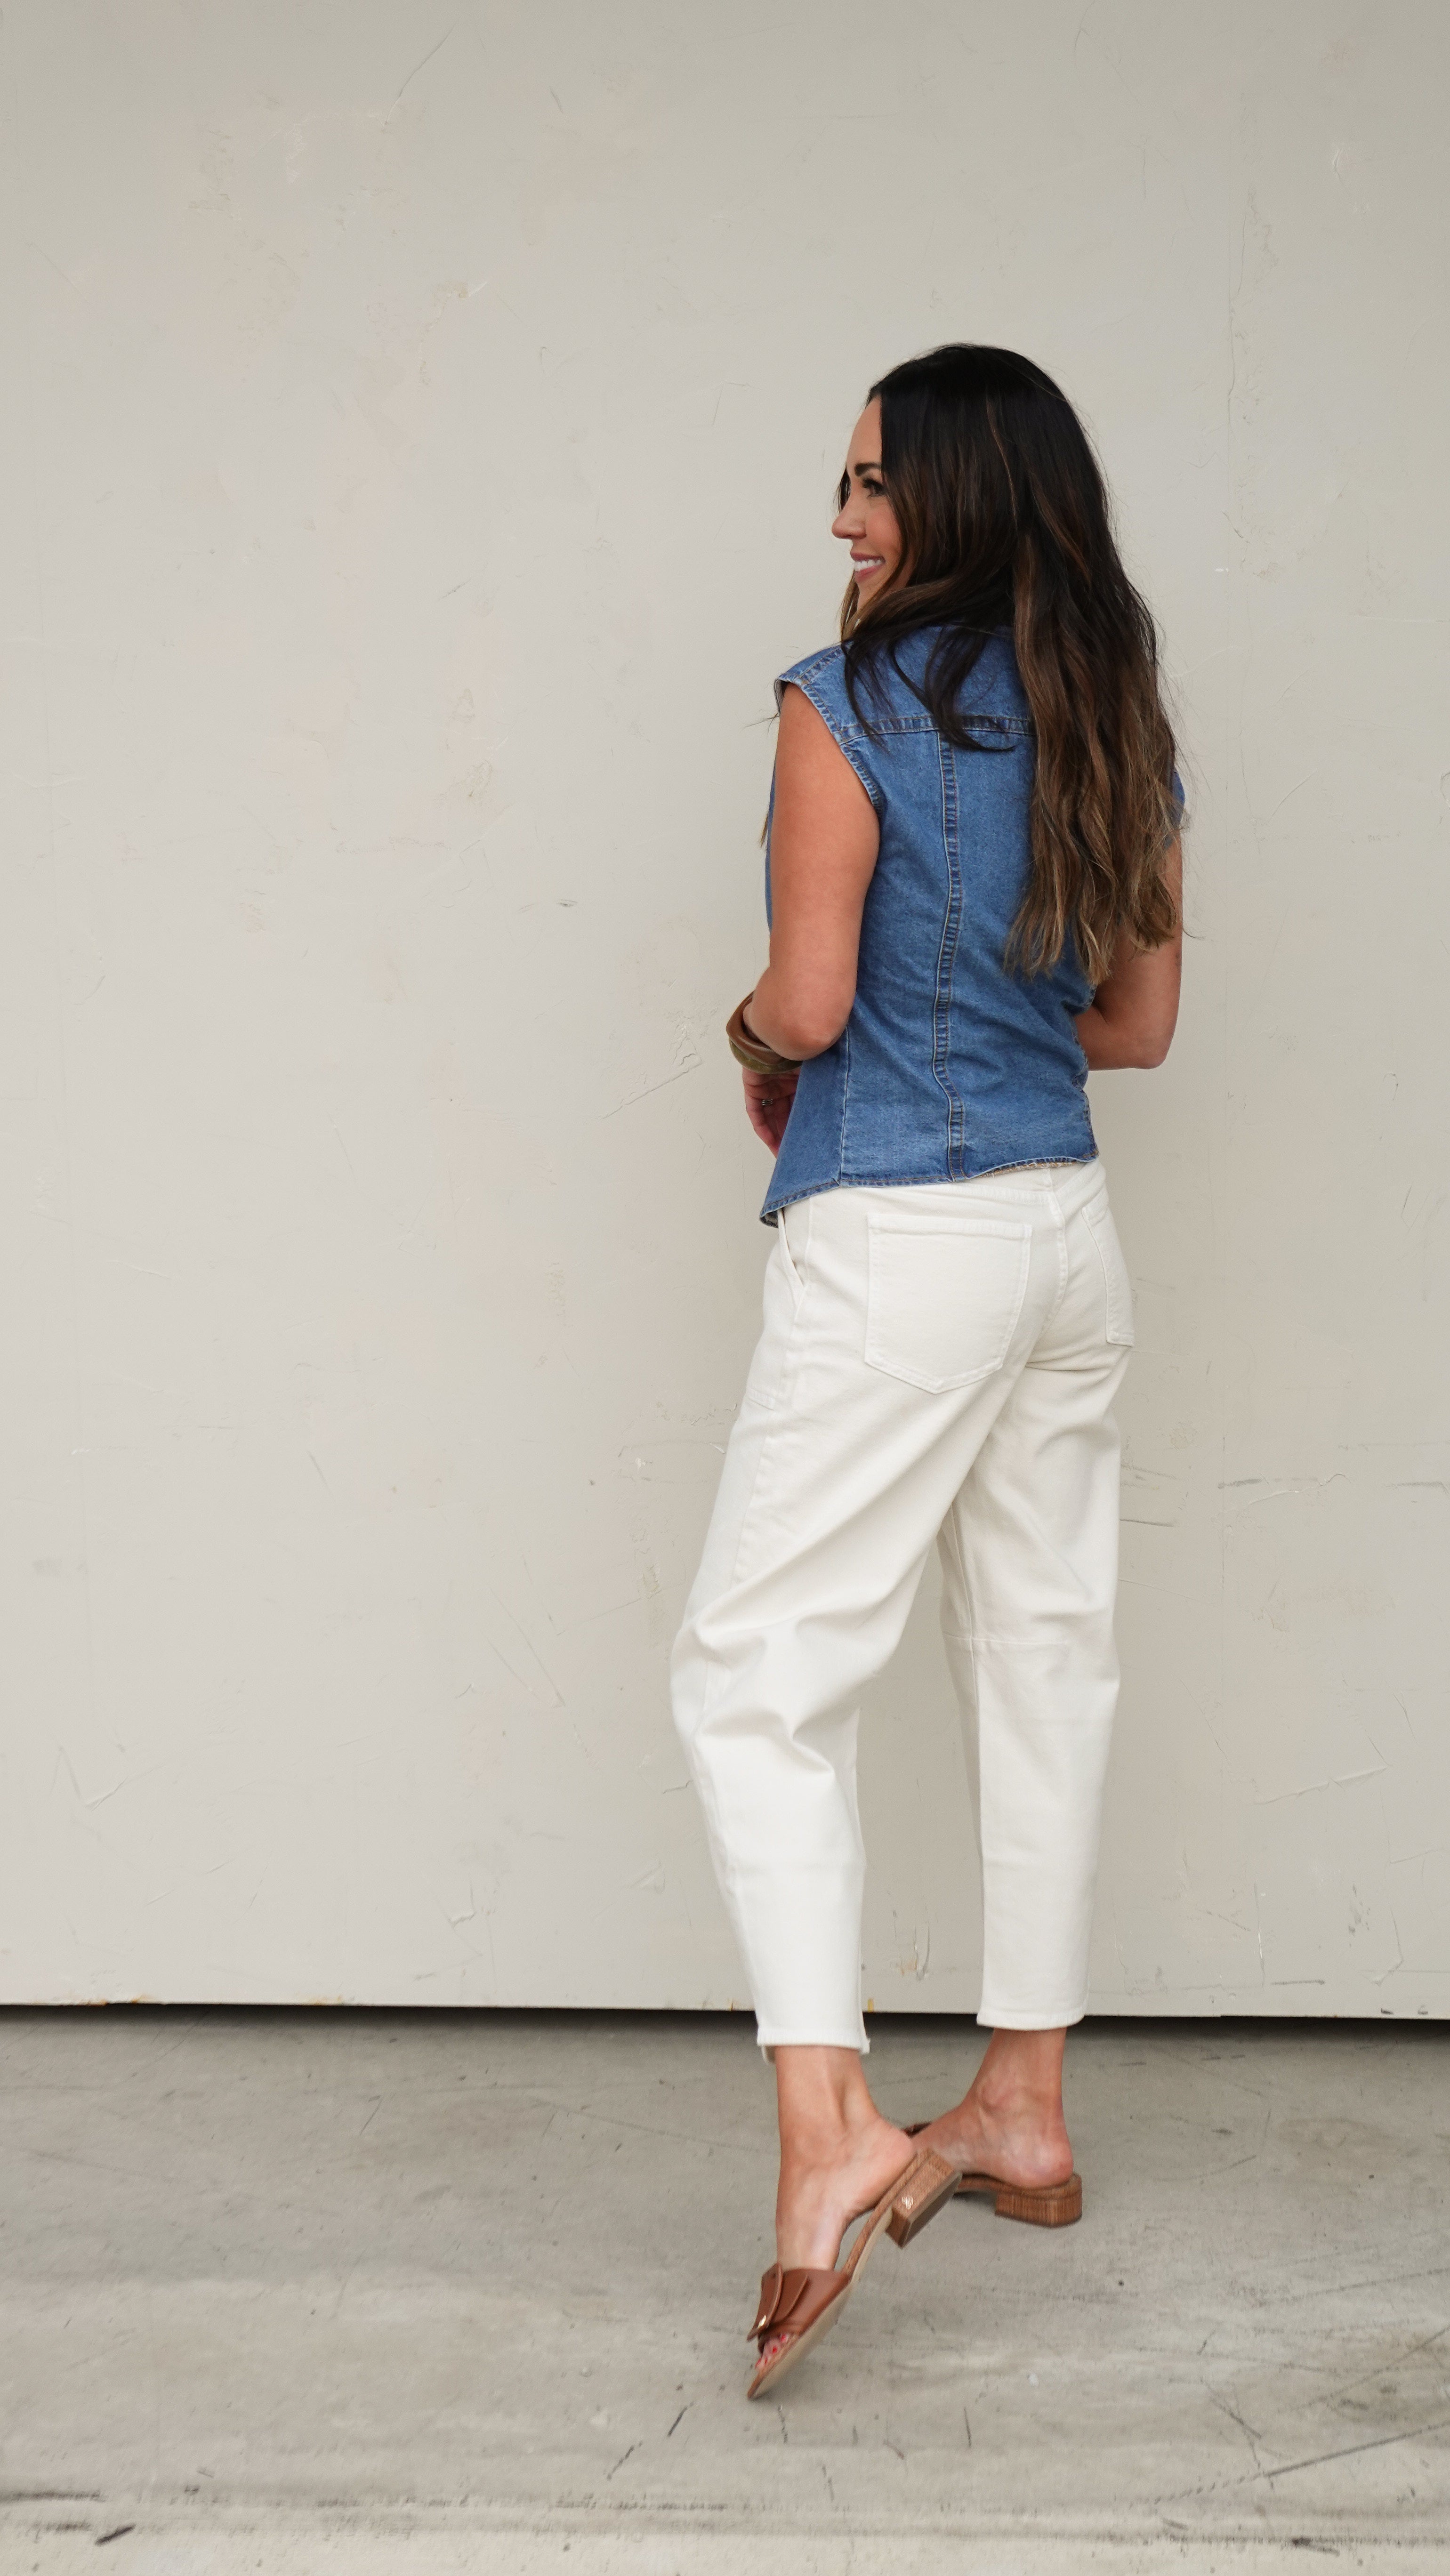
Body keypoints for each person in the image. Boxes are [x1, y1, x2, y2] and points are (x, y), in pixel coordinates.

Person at [670, 345, 1184, 2401]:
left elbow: (807, 1002)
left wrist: (748, 1043)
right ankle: (1021, 2109)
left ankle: (830, 2139)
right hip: (1065, 1234)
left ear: (957, 493)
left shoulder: (842, 705)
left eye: (872, 481)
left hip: (899, 1239)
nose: (842, 517)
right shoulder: (1114, 709)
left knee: (753, 1671)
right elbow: (1133, 1027)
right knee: (1045, 1652)